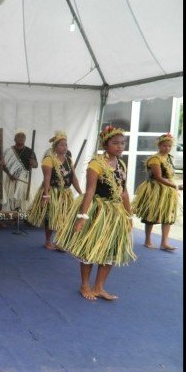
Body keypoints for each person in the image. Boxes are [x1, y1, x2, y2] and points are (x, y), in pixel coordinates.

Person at [55, 126, 136, 301]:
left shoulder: (121, 164)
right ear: (105, 144)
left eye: (122, 143)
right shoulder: (96, 164)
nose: (120, 146)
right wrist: (82, 217)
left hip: (115, 215)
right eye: (115, 143)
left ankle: (99, 287)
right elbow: (90, 191)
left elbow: (123, 192)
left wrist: (128, 215)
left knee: (109, 250)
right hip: (97, 212)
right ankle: (85, 285)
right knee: (89, 249)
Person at [27, 131, 83, 250]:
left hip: (65, 194)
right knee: (51, 217)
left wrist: (80, 193)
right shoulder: (48, 160)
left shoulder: (69, 160)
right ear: (55, 147)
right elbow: (47, 178)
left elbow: (73, 178)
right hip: (52, 192)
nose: (65, 147)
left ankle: (60, 242)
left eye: (66, 144)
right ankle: (48, 241)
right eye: (61, 145)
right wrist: (46, 195)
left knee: (65, 217)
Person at [132, 133, 184, 251]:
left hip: (167, 191)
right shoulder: (155, 159)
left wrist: (173, 186)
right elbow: (158, 177)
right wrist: (176, 186)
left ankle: (164, 242)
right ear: (159, 146)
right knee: (151, 215)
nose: (167, 148)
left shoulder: (169, 158)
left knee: (168, 216)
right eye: (164, 146)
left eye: (169, 146)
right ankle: (147, 240)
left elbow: (169, 175)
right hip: (155, 190)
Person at [1, 129, 38, 212]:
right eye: (18, 136)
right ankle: (12, 214)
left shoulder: (30, 151)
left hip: (24, 179)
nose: (21, 138)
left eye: (22, 137)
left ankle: (23, 214)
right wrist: (9, 174)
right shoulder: (9, 151)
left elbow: (36, 165)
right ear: (14, 139)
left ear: (25, 139)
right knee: (11, 199)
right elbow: (3, 166)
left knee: (24, 199)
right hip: (11, 178)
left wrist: (33, 162)